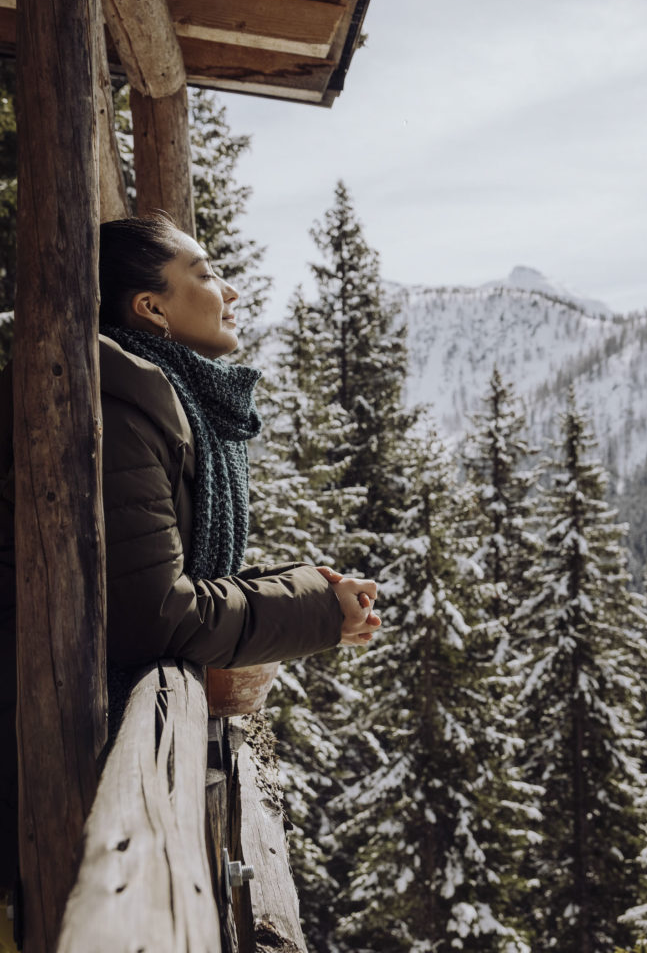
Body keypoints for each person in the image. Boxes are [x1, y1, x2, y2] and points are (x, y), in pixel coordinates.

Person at [0, 212, 380, 932]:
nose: (228, 290)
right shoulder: (115, 400)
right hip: (32, 766)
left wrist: (310, 591)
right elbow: (152, 612)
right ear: (150, 308)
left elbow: (149, 570)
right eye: (205, 274)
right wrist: (317, 611)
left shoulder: (152, 392)